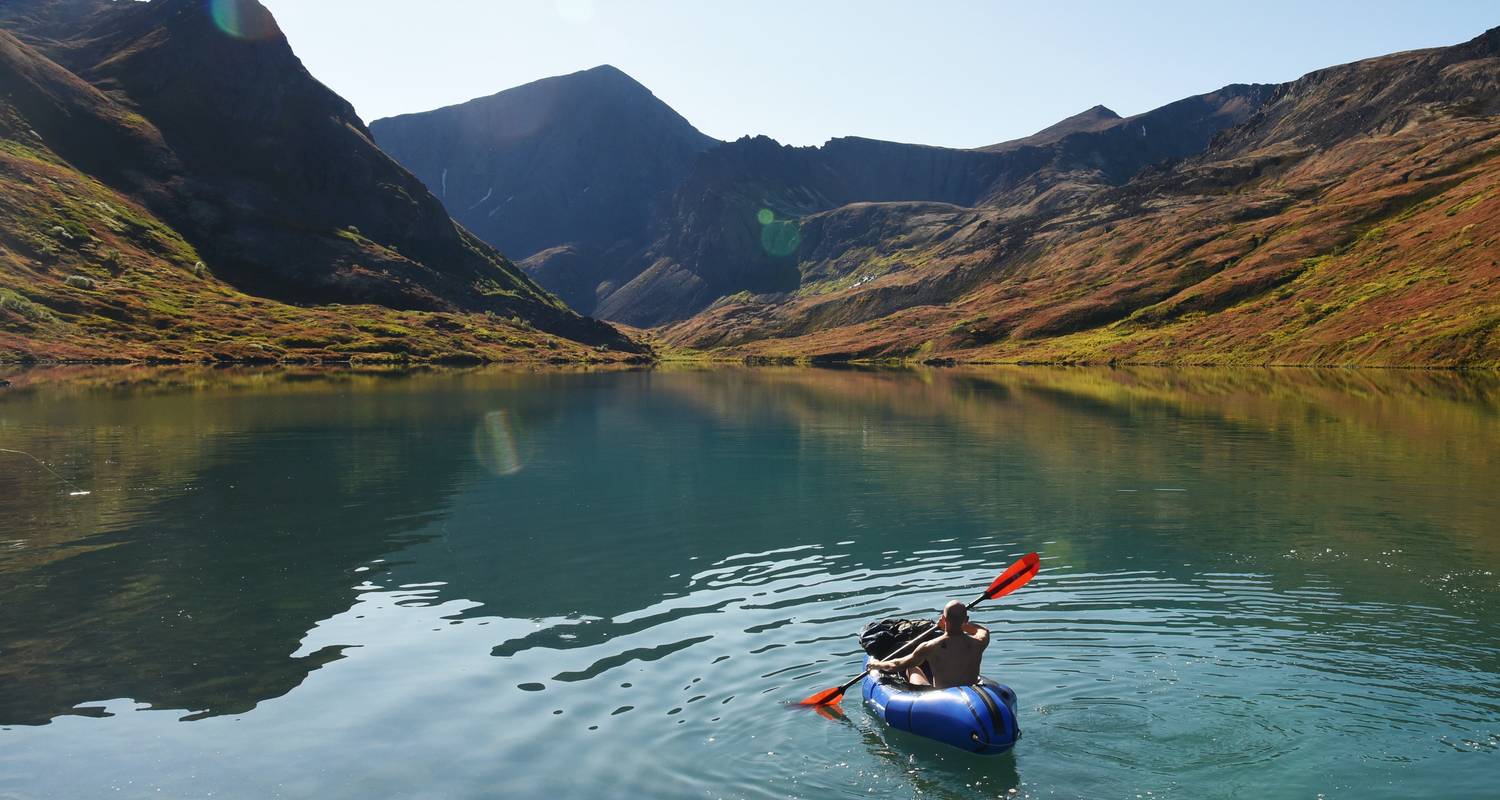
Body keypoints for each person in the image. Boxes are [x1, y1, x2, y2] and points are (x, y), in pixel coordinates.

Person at [867, 600, 989, 689]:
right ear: (966, 619)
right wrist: (963, 624)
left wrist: (876, 665)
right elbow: (983, 630)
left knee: (912, 667)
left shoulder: (930, 647)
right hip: (972, 690)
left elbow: (896, 665)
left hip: (943, 696)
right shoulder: (979, 642)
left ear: (943, 619)